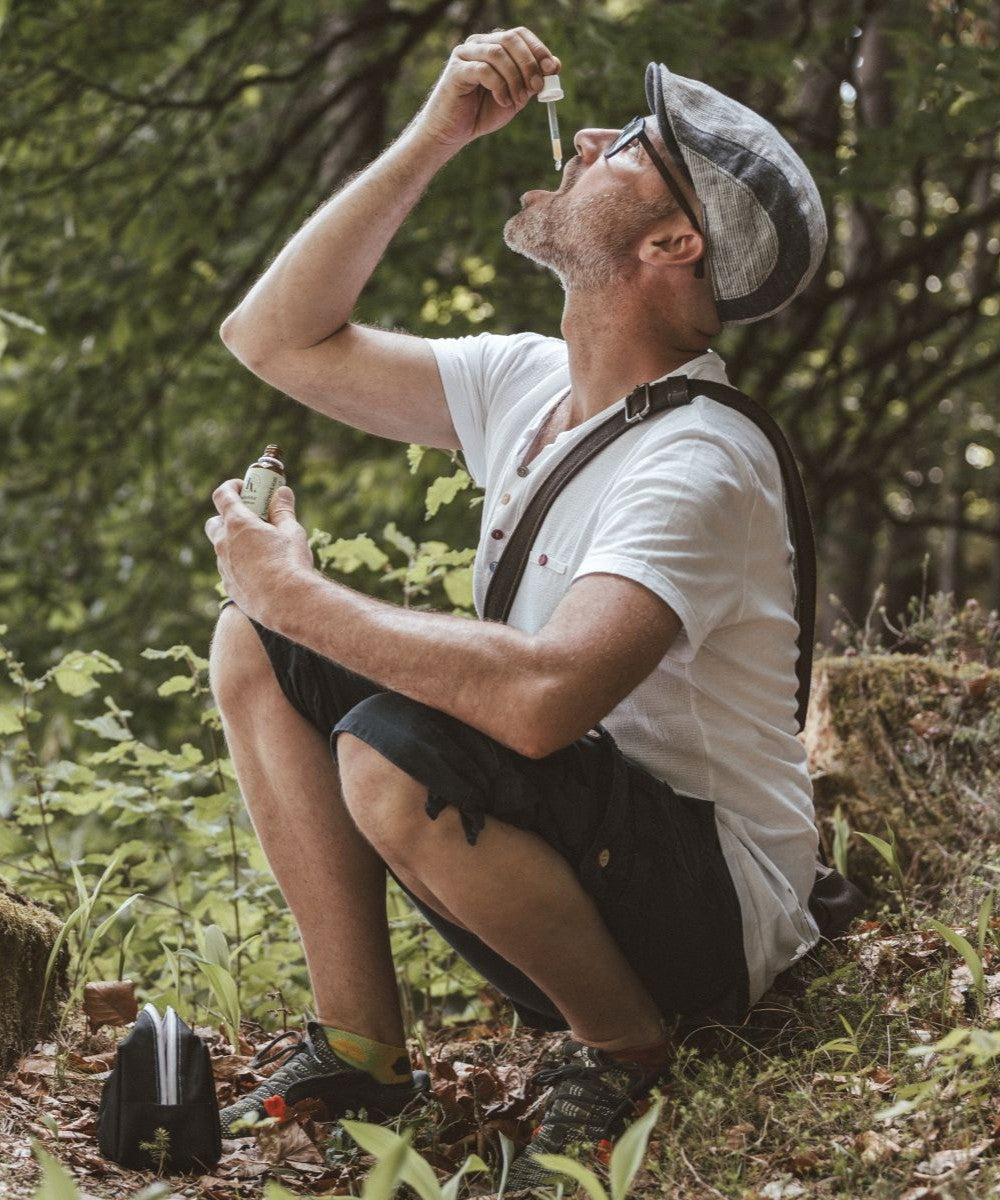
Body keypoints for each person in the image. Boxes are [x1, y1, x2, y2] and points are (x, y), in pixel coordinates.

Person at [205, 25, 828, 1193]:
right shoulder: (535, 385)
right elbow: (273, 338)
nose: (588, 136)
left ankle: (623, 1047)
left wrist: (299, 583)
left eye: (629, 146)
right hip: (585, 839)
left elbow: (542, 703)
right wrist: (437, 132)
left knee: (393, 747)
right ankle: (362, 1053)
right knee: (257, 637)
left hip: (707, 919)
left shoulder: (696, 461)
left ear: (672, 240)